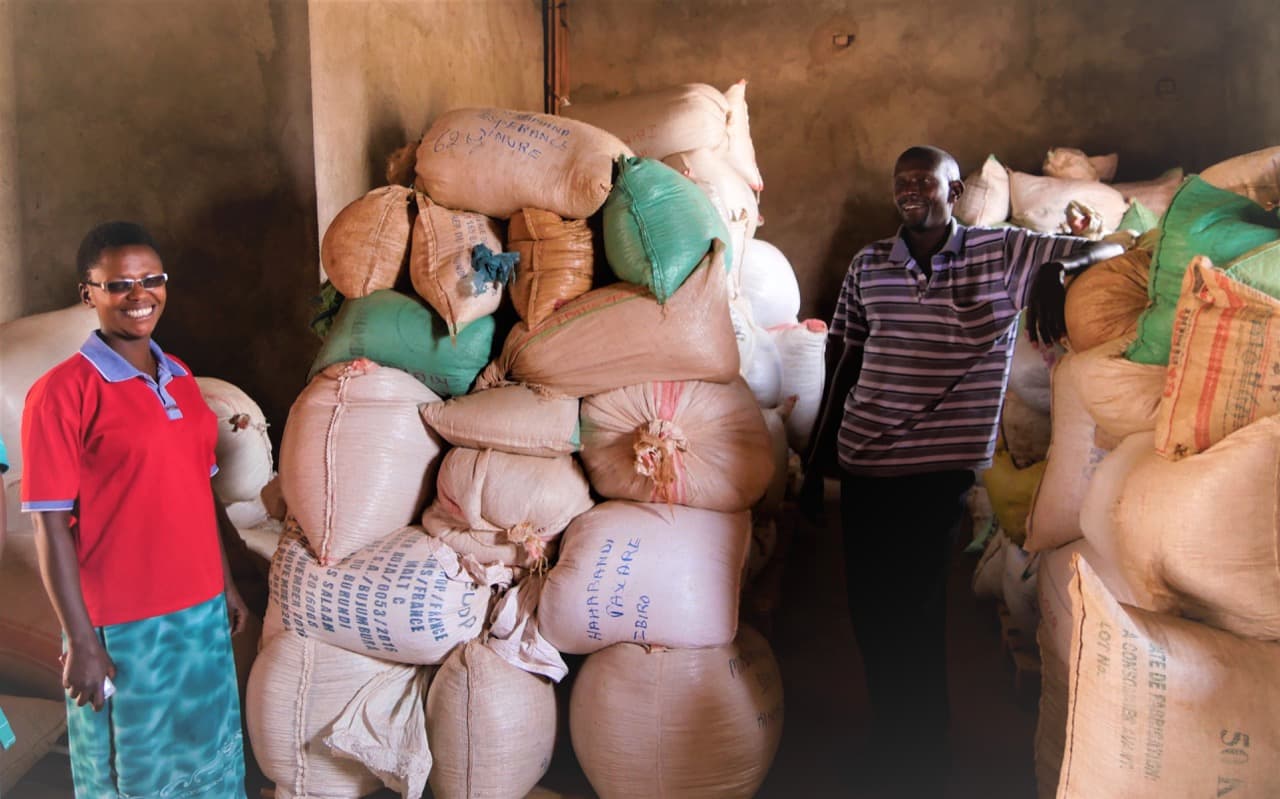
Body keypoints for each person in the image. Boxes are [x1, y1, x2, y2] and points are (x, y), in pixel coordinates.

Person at [802, 146, 1122, 794]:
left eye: (926, 179)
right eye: (902, 181)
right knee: (872, 613)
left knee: (914, 613)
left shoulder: (1001, 252)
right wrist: (815, 460)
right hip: (866, 464)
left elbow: (1114, 249)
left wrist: (1058, 277)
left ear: (957, 188)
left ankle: (925, 753)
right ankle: (891, 736)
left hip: (937, 471)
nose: (912, 190)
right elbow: (841, 360)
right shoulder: (870, 264)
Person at [21, 221, 250, 796]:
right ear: (88, 294)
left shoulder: (181, 376)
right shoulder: (62, 392)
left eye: (151, 279)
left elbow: (199, 493)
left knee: (209, 762)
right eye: (119, 284)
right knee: (135, 773)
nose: (139, 295)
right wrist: (82, 642)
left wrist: (225, 585)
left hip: (198, 612)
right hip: (125, 624)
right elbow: (49, 523)